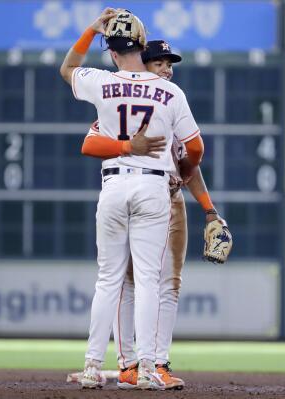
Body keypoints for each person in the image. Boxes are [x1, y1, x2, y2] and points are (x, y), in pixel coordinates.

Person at [59, 9, 205, 390]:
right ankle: (145, 369)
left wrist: (91, 29)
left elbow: (68, 68)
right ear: (143, 46)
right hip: (153, 186)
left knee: (108, 279)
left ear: (110, 52)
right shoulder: (170, 91)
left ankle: (92, 366)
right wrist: (185, 173)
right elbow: (196, 147)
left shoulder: (101, 81)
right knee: (148, 280)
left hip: (113, 184)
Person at [81, 40, 229, 390]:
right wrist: (127, 147)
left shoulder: (168, 101)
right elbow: (89, 143)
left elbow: (190, 163)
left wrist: (209, 210)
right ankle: (130, 364)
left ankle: (157, 362)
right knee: (130, 281)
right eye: (159, 62)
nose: (167, 68)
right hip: (144, 194)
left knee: (168, 283)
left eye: (169, 63)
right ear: (141, 64)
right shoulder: (122, 99)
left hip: (168, 196)